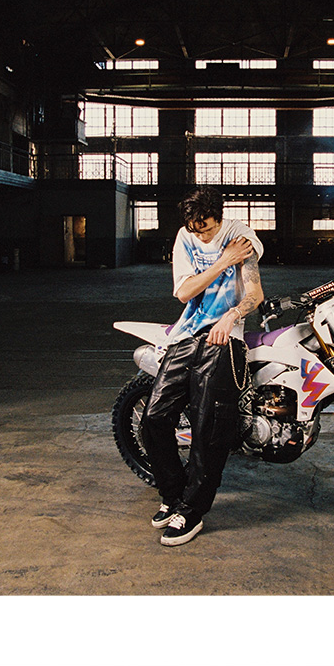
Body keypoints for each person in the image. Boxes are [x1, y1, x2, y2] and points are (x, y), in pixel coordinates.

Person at [133, 202, 265, 543]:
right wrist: (223, 261)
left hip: (224, 337)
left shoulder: (240, 236)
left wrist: (231, 315)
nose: (200, 235)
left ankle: (192, 512)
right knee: (154, 418)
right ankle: (174, 494)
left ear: (218, 219)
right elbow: (183, 292)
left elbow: (254, 294)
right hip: (185, 335)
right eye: (194, 228)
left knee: (209, 428)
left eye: (205, 227)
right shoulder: (186, 236)